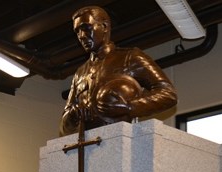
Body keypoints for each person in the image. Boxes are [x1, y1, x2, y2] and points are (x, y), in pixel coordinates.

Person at [59, 5, 178, 136]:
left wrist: (130, 107)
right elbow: (63, 127)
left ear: (104, 27)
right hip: (86, 144)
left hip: (122, 138)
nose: (81, 36)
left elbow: (168, 94)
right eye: (77, 32)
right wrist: (72, 115)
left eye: (87, 28)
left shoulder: (130, 57)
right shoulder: (80, 73)